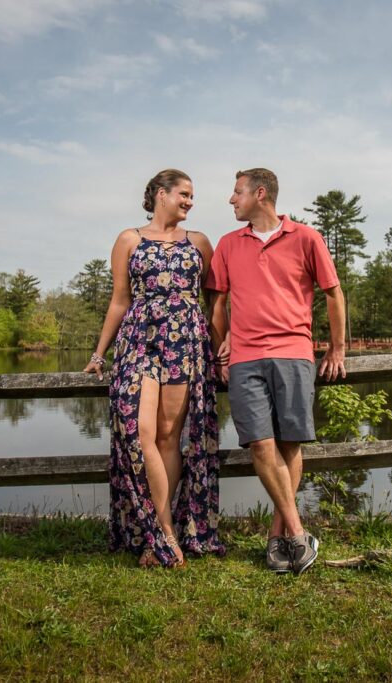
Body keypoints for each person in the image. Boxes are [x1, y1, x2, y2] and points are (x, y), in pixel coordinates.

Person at [206, 168, 346, 574]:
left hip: (294, 354)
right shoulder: (229, 245)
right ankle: (300, 536)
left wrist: (337, 348)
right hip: (246, 359)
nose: (232, 200)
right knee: (260, 445)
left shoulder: (306, 237)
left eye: (237, 193)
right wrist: (221, 348)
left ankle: (275, 538)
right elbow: (217, 304)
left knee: (290, 446)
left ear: (260, 194)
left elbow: (333, 294)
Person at [84, 168, 225, 568]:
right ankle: (162, 531)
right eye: (184, 194)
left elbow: (215, 304)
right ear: (160, 194)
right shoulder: (129, 239)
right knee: (138, 433)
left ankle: (162, 537)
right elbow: (119, 300)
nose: (190, 202)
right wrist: (99, 354)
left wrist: (221, 351)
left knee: (167, 437)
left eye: (192, 197)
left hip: (185, 341)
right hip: (138, 341)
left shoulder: (199, 242)